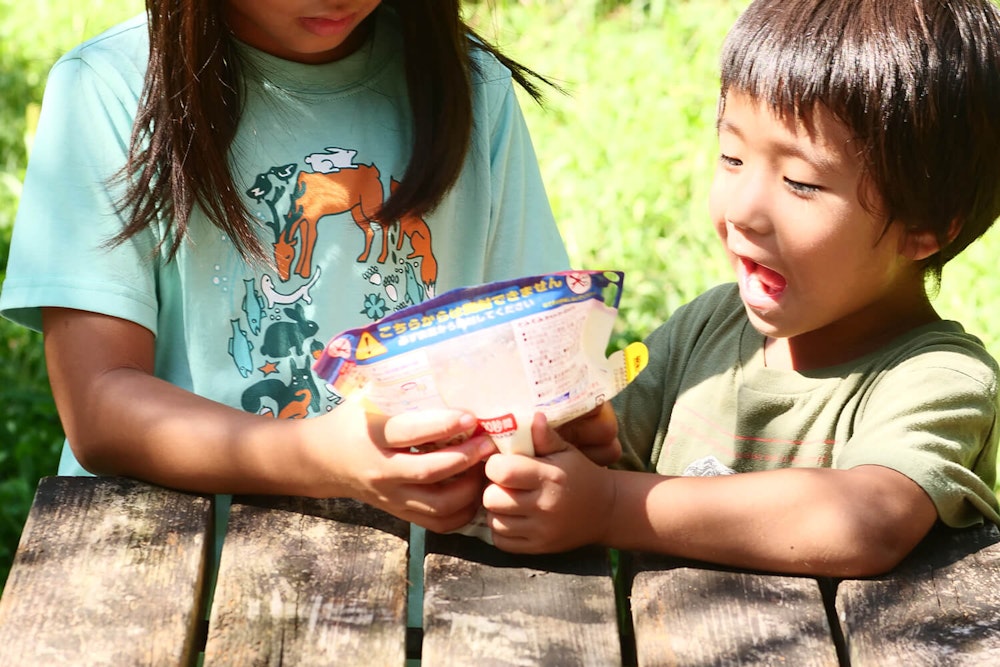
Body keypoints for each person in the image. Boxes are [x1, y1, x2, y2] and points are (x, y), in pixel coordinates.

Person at [0, 0, 620, 547]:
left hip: (435, 576)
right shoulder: (110, 89)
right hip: (173, 567)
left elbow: (528, 350)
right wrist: (324, 457)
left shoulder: (470, 84)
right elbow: (99, 404)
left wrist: (559, 425)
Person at [479, 0, 1000, 577]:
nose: (744, 211)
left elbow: (866, 520)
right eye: (732, 157)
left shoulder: (938, 380)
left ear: (924, 228)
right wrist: (562, 448)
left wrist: (608, 505)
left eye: (800, 183)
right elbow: (601, 454)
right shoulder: (707, 327)